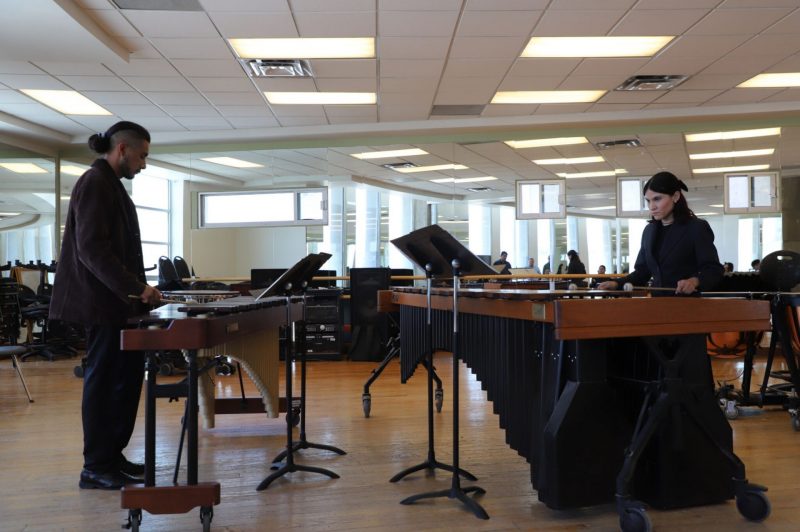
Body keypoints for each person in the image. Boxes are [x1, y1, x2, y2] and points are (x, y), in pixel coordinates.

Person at [49, 121, 162, 490]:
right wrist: (137, 288)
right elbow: (92, 250)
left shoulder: (109, 184)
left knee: (124, 381)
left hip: (118, 306)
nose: (143, 164)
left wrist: (137, 291)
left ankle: (112, 456)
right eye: (142, 156)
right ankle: (95, 466)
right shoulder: (95, 183)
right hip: (101, 306)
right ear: (123, 150)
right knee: (104, 383)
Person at [598, 171, 723, 295]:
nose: (652, 206)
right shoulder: (649, 231)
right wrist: (617, 283)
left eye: (657, 199)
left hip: (687, 303)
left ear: (675, 196)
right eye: (648, 201)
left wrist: (694, 281)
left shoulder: (696, 227)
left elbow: (714, 270)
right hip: (657, 303)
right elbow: (642, 272)